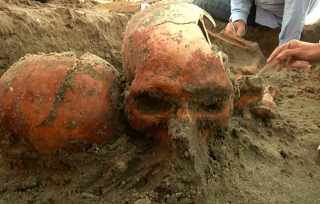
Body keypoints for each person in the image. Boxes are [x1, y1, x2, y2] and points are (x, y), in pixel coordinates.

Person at [193, 0, 320, 45]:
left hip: (274, 13)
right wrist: (239, 18)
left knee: (202, 2)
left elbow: (295, 14)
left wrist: (286, 45)